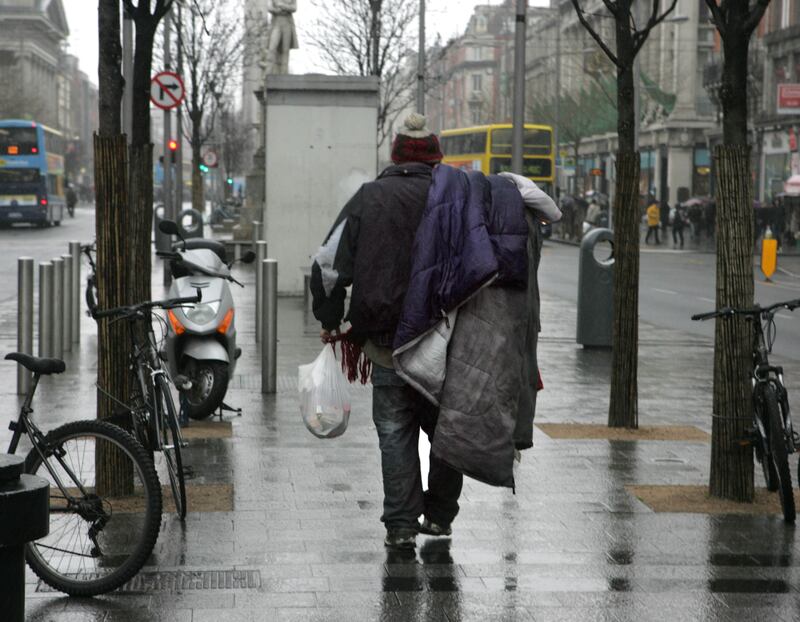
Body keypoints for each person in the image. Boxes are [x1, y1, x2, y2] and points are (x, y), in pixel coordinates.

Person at [310, 113, 559, 550]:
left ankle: (401, 524)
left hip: (387, 343)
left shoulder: (369, 198)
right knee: (449, 430)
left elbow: (328, 266)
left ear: (395, 154)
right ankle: (440, 516)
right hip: (448, 344)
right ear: (436, 155)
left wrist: (331, 320)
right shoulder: (462, 197)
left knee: (394, 432)